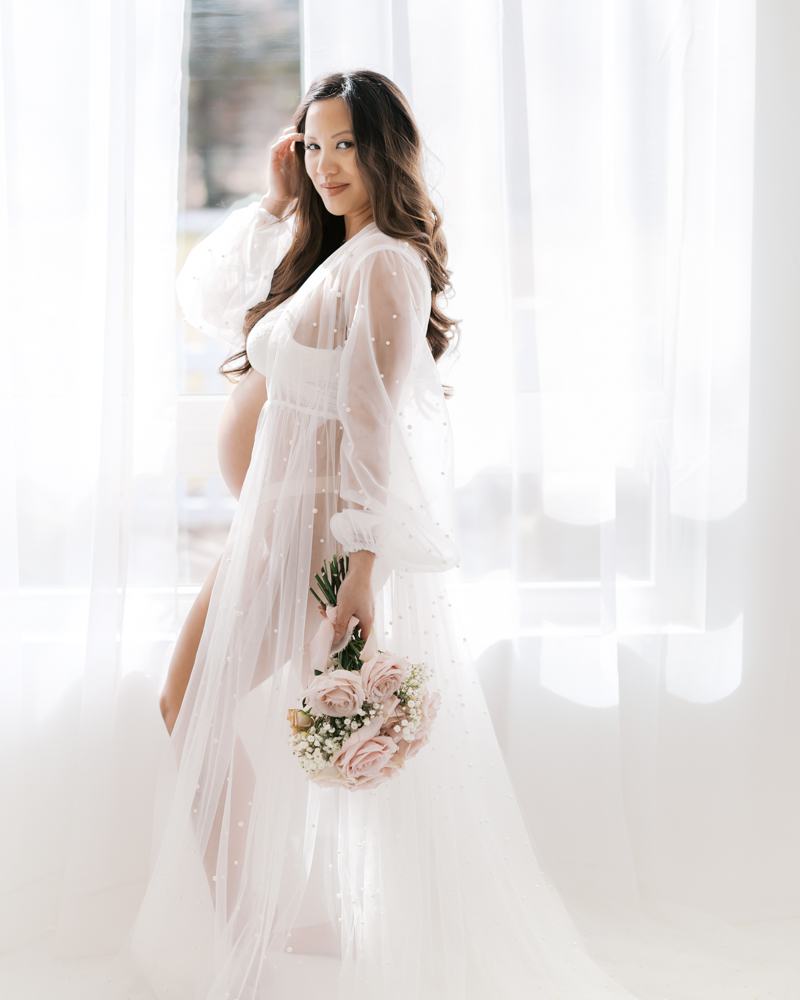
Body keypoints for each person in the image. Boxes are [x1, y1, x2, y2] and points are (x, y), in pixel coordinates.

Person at [131, 70, 634, 999]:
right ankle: (282, 914)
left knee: (193, 705)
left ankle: (273, 924)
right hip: (272, 522)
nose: (327, 164)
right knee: (190, 705)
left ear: (384, 151)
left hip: (309, 533)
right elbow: (202, 300)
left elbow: (375, 426)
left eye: (346, 145)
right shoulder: (334, 250)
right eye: (313, 144)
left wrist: (358, 570)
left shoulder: (388, 262)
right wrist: (278, 202)